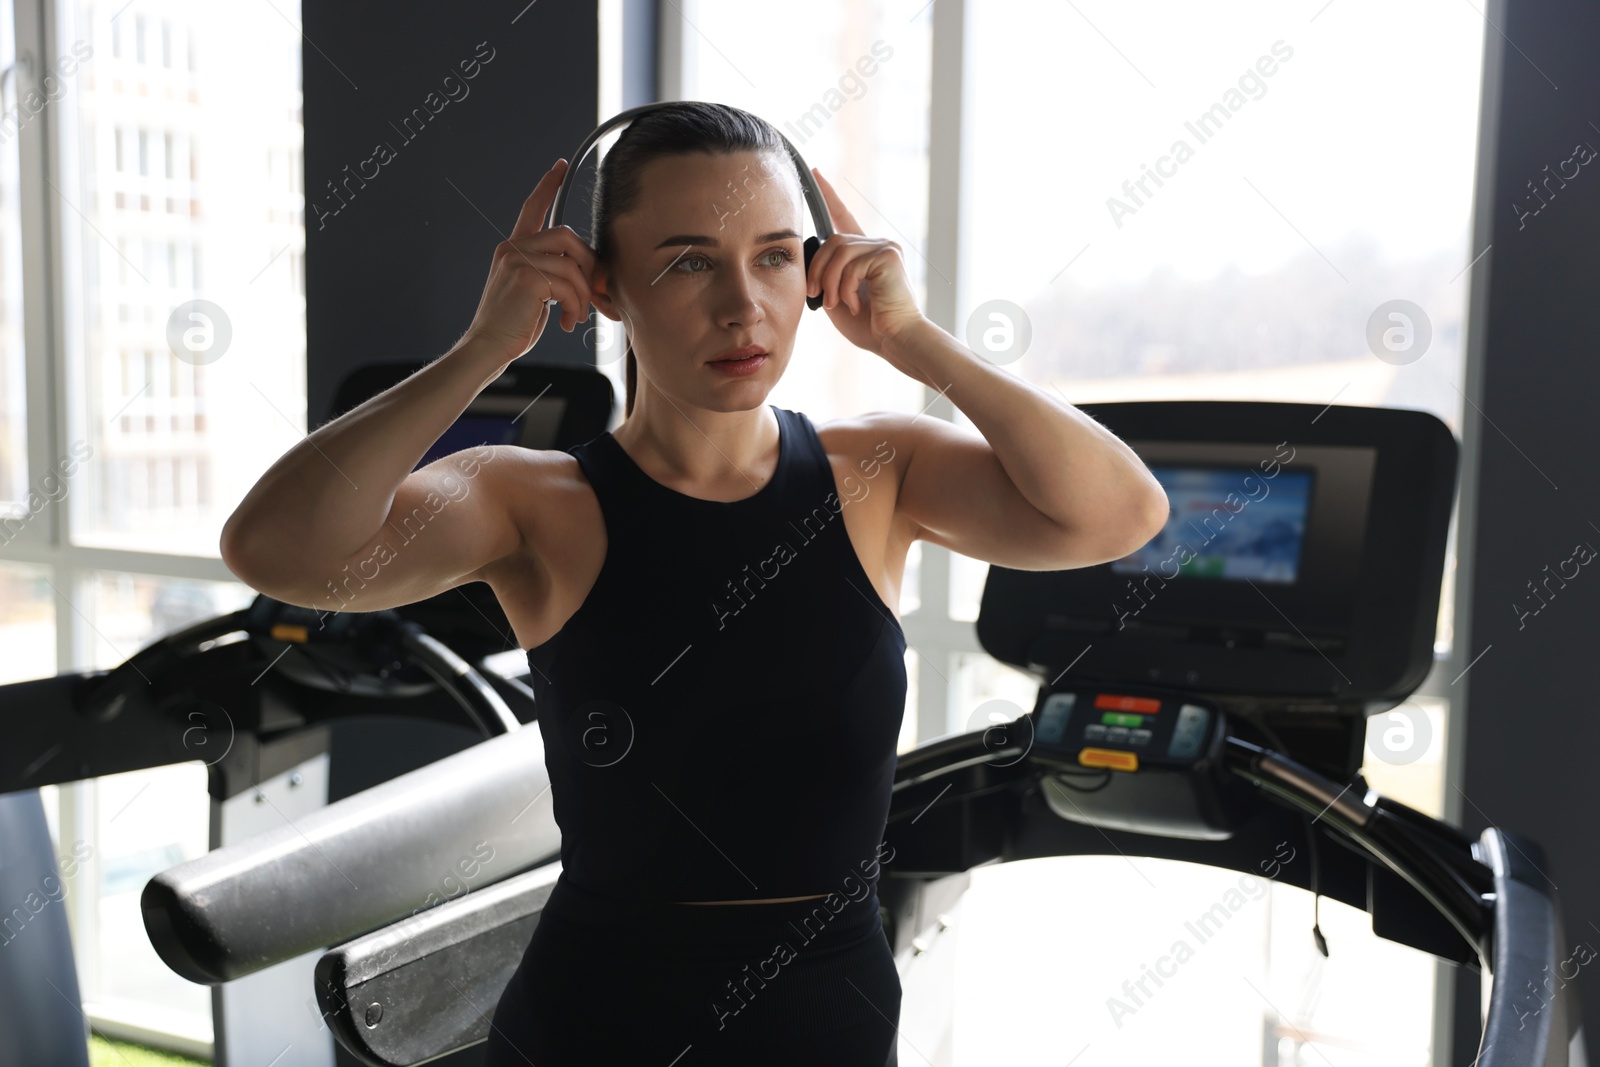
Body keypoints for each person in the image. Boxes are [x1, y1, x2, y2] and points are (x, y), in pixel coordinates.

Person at [218, 101, 1169, 1065]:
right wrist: (482, 351)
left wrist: (914, 339)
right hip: (599, 1021)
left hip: (828, 1015)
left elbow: (1120, 515)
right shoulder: (531, 501)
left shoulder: (880, 473)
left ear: (813, 270)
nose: (742, 306)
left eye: (773, 256)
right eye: (687, 261)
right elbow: (278, 550)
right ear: (607, 286)